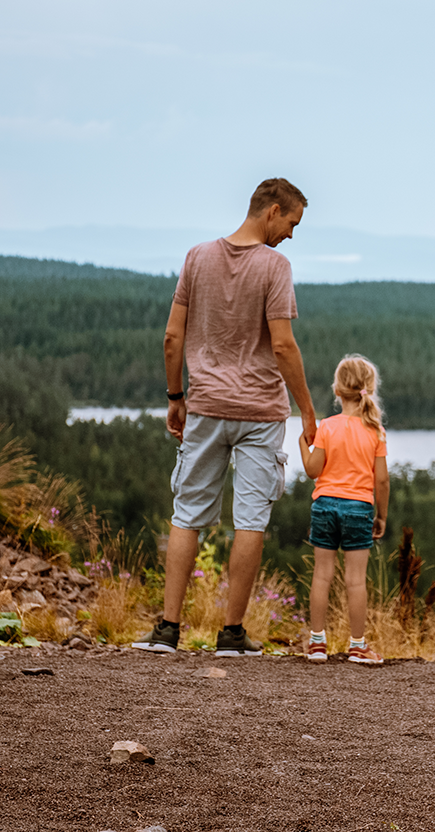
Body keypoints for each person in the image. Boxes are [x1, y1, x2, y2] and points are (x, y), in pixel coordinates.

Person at [133, 178, 317, 657]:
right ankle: (231, 635)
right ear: (272, 210)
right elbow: (283, 345)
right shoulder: (275, 267)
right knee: (250, 521)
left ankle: (167, 630)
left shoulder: (197, 258)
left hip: (206, 405)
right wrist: (307, 408)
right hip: (261, 412)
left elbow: (172, 337)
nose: (291, 234)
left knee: (187, 514)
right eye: (292, 223)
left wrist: (176, 396)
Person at [297, 354, 390, 665]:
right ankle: (358, 646)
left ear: (337, 391)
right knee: (356, 580)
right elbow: (382, 480)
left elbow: (313, 470)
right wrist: (381, 516)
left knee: (322, 576)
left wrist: (303, 443)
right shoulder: (376, 431)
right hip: (359, 509)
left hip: (324, 506)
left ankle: (317, 643)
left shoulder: (327, 426)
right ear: (369, 389)